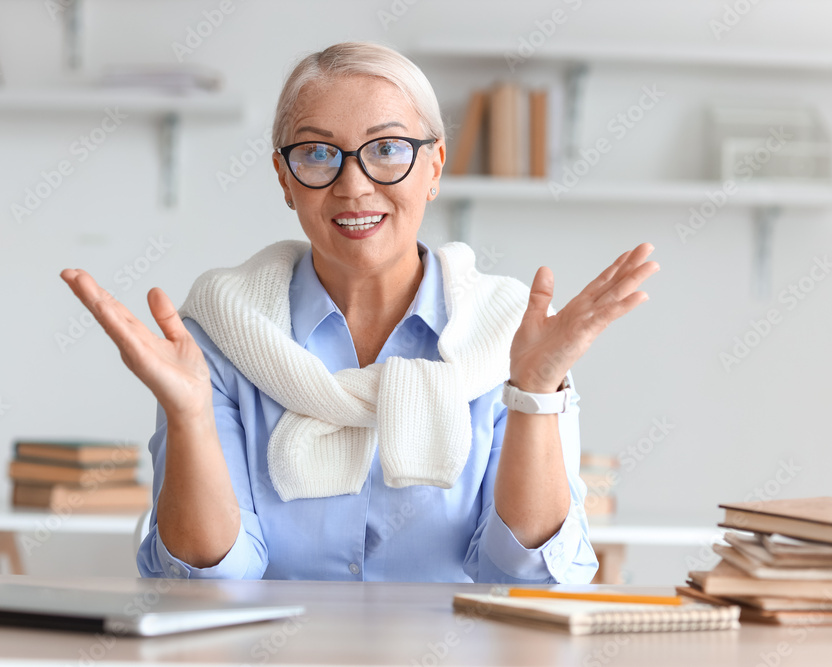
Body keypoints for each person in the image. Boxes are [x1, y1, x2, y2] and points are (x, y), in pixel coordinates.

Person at [60, 42, 658, 583]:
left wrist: (534, 392)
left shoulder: (511, 336)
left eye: (388, 149)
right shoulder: (219, 335)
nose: (354, 185)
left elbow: (525, 576)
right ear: (284, 178)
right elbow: (211, 581)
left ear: (434, 167)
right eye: (318, 153)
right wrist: (190, 416)